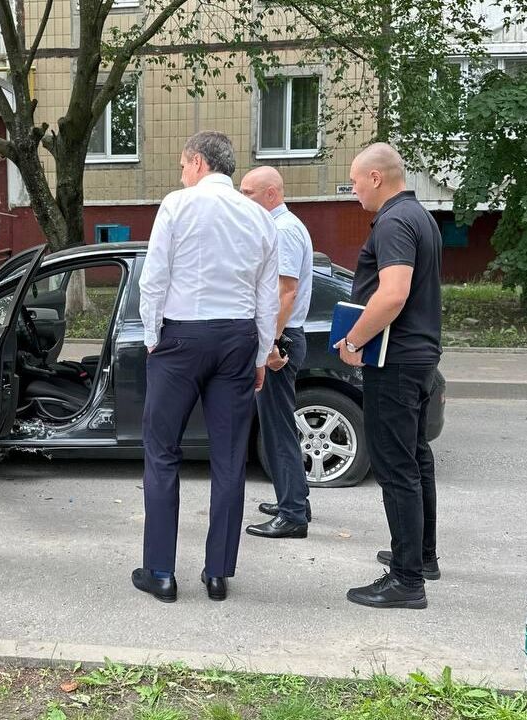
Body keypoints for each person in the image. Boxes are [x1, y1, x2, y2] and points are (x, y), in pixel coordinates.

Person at [133, 131, 279, 603]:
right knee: (230, 457)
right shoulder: (259, 217)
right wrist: (260, 354)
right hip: (236, 337)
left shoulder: (177, 205)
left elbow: (154, 275)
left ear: (197, 163)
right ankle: (218, 573)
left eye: (182, 163)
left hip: (181, 336)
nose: (180, 172)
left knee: (161, 451)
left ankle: (160, 572)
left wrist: (153, 336)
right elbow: (267, 294)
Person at [334, 142, 442, 610]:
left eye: (356, 182)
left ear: (376, 178)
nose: (354, 191)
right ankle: (421, 556)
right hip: (418, 358)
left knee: (397, 468)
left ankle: (405, 581)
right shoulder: (420, 216)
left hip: (394, 361)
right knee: (416, 459)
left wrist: (354, 341)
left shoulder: (395, 222)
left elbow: (392, 295)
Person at [239, 166, 314, 539]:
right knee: (280, 424)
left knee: (277, 430)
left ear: (271, 194)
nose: (242, 198)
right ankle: (296, 496)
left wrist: (269, 344)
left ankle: (293, 515)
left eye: (248, 192)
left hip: (281, 340)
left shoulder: (282, 231)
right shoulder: (283, 226)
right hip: (285, 336)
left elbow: (286, 293)